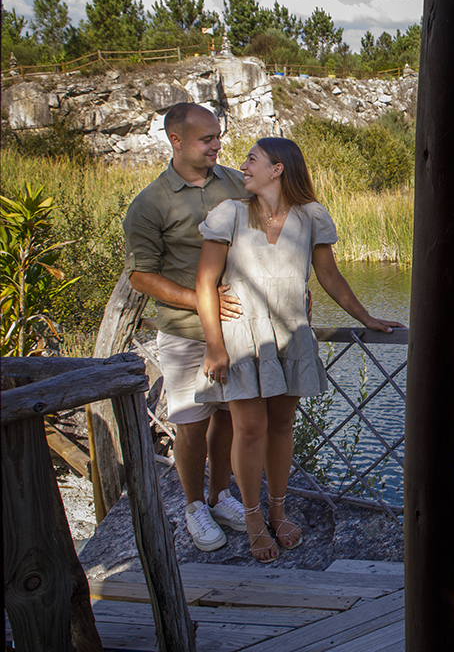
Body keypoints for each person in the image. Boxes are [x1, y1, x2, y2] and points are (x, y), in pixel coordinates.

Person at [194, 137, 402, 562]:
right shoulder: (229, 214)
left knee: (281, 427)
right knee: (249, 428)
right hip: (241, 336)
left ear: (278, 169)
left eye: (252, 160)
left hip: (292, 334)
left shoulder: (311, 217)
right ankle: (253, 518)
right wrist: (214, 345)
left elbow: (330, 277)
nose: (243, 166)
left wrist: (368, 319)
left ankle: (278, 509)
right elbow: (205, 285)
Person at [123, 102, 248, 551]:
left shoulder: (236, 182)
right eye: (207, 139)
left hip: (238, 328)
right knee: (192, 423)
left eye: (218, 136)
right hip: (184, 331)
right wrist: (201, 300)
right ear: (176, 141)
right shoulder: (150, 203)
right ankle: (195, 506)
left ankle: (221, 495)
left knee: (232, 415)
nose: (218, 145)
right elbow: (140, 275)